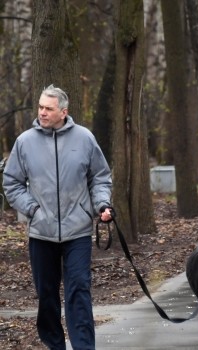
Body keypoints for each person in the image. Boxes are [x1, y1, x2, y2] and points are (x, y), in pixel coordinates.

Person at [3, 84, 113, 350]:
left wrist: (101, 205)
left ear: (63, 112)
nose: (42, 112)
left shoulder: (85, 138)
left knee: (79, 291)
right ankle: (55, 345)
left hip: (78, 232)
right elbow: (12, 183)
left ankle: (84, 346)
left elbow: (100, 177)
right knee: (47, 297)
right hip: (41, 232)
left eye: (48, 108)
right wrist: (32, 209)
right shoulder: (24, 142)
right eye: (40, 107)